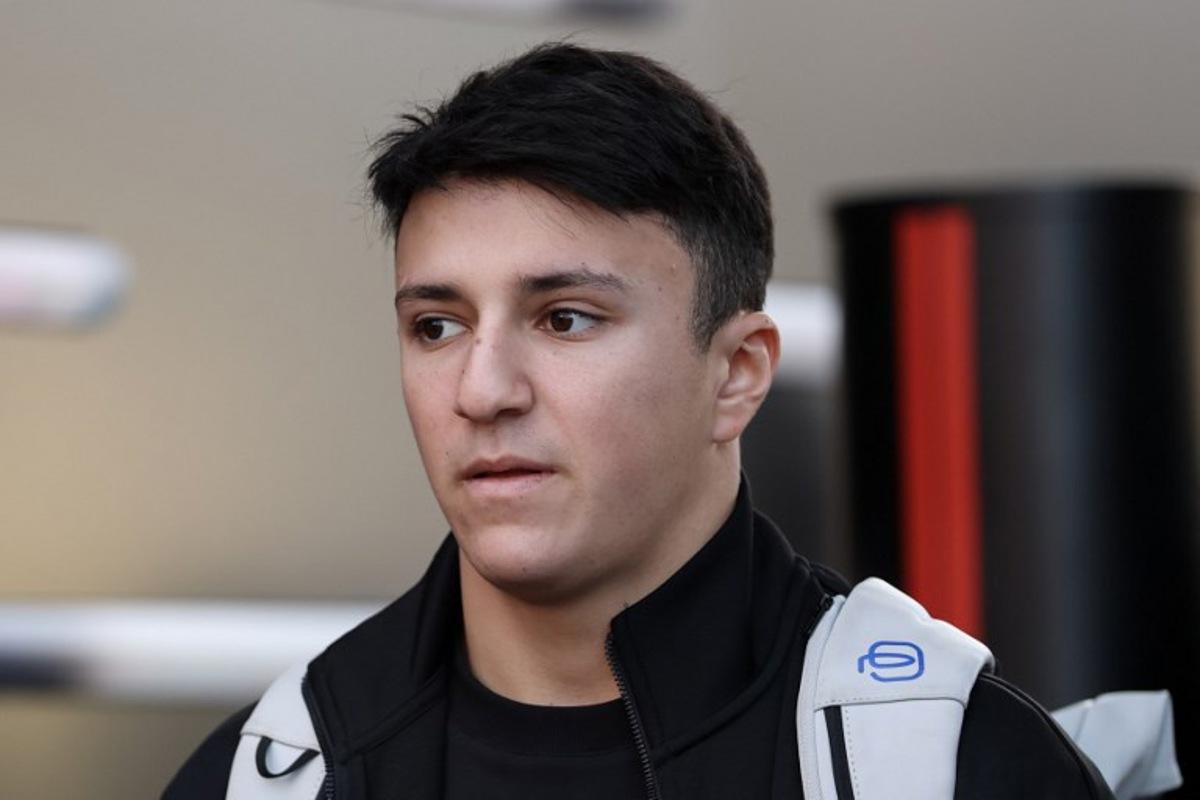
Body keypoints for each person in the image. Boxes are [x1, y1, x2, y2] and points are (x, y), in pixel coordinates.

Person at [164, 43, 1114, 799]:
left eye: (565, 317)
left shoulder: (954, 766)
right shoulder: (272, 773)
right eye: (438, 325)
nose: (482, 389)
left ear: (738, 375)